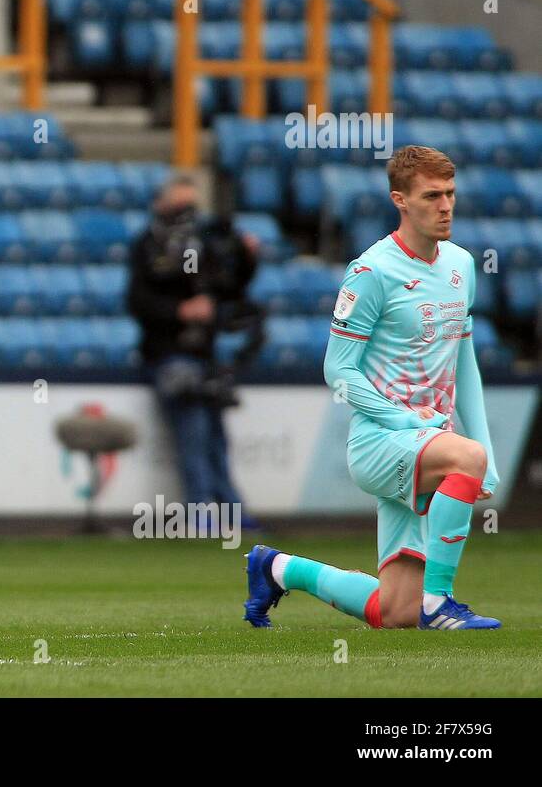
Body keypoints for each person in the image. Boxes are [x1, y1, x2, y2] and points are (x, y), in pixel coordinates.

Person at [245, 145, 499, 630]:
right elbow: (338, 371)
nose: (445, 206)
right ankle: (439, 602)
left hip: (428, 443)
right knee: (464, 461)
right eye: (431, 196)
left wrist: (484, 447)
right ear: (399, 200)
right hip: (381, 442)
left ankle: (277, 568)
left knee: (394, 612)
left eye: (450, 194)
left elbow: (463, 361)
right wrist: (409, 422)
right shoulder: (371, 271)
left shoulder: (462, 265)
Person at [127, 173, 260, 513]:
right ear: (162, 204)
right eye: (180, 206)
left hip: (204, 355)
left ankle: (230, 508)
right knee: (194, 429)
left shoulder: (201, 245)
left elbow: (230, 288)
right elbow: (137, 301)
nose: (187, 215)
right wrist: (180, 311)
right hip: (169, 353)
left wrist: (247, 259)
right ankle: (202, 507)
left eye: (192, 207)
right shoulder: (148, 245)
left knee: (215, 434)